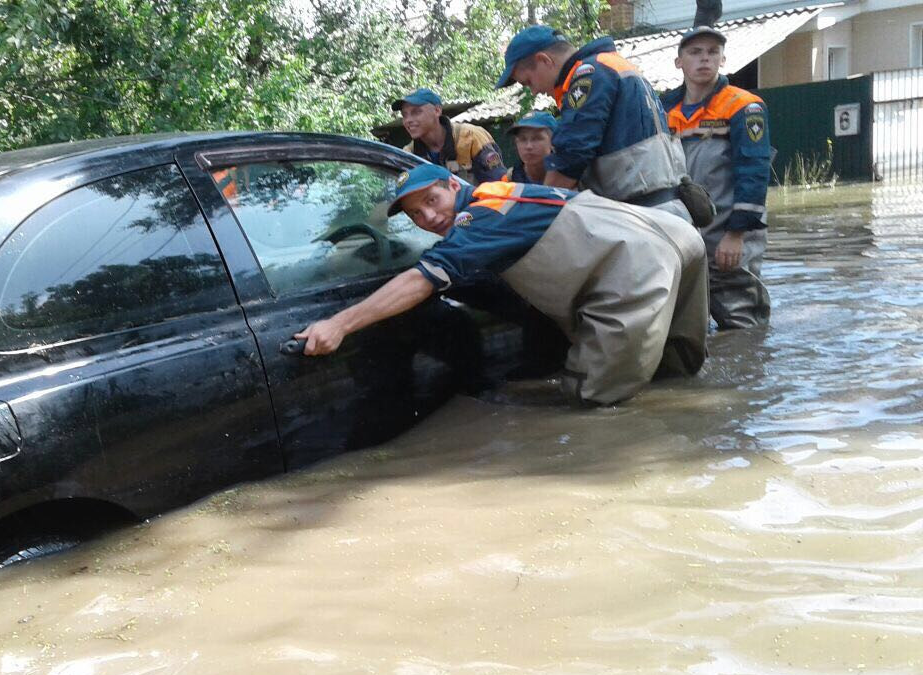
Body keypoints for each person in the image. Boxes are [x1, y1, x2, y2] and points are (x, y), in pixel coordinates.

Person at [295, 164, 708, 406]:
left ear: (453, 186)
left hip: (636, 265)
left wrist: (341, 324)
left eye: (432, 201)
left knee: (597, 402)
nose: (428, 219)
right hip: (675, 235)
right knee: (676, 376)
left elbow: (423, 280)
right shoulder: (502, 194)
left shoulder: (479, 217)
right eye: (416, 215)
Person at [497, 25, 696, 222]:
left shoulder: (589, 74)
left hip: (643, 217)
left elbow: (571, 154)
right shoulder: (613, 64)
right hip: (666, 211)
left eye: (528, 82)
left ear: (544, 60)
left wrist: (537, 214)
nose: (533, 91)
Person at [662, 26, 772, 328]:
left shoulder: (743, 105)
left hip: (728, 233)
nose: (704, 59)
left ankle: (746, 372)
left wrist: (736, 235)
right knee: (682, 324)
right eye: (695, 52)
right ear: (678, 62)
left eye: (712, 52)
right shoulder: (663, 109)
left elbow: (754, 172)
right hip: (680, 234)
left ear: (723, 60)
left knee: (742, 324)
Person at [393, 87, 507, 185]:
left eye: (416, 112)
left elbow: (499, 183)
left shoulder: (471, 137)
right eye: (404, 115)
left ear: (437, 110)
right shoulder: (409, 154)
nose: (408, 120)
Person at [502, 110, 557, 184]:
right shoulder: (509, 179)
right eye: (522, 139)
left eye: (537, 138)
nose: (529, 146)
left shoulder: (571, 177)